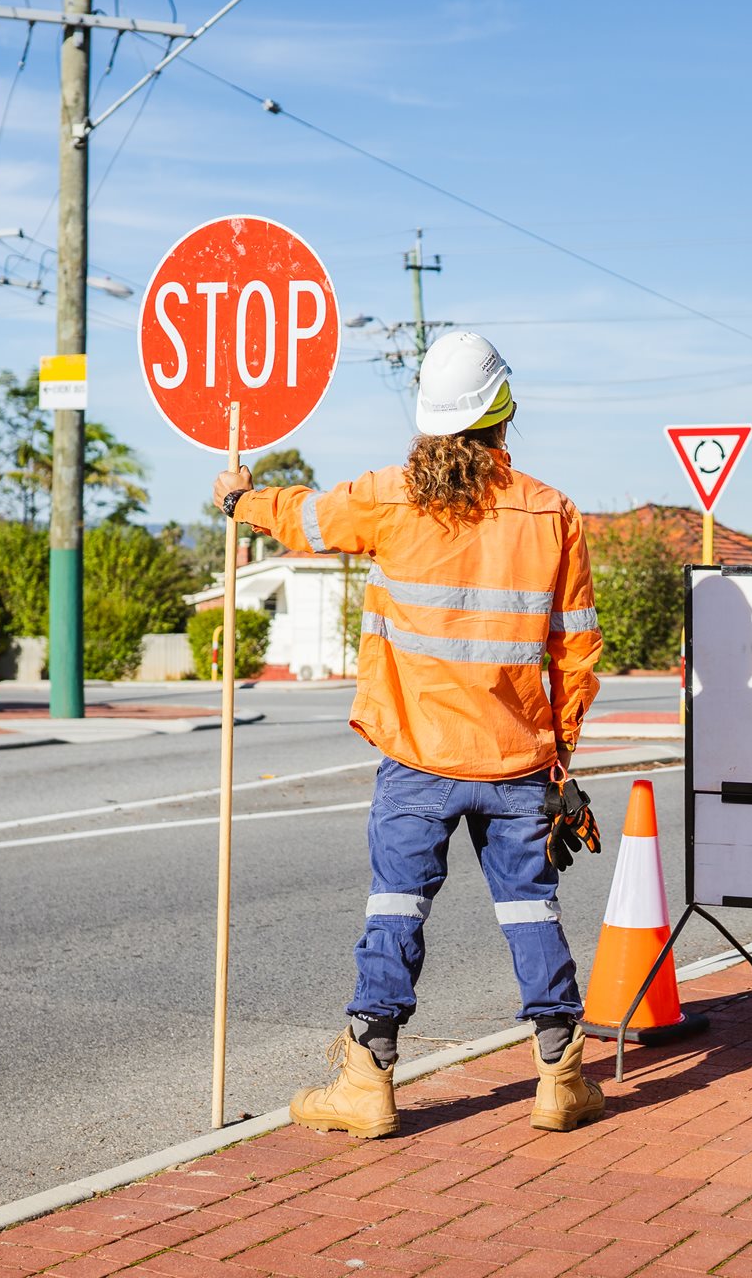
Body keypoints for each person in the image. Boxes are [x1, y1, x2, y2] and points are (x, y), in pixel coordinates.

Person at [211, 331, 605, 1138]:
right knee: (531, 908)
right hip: (516, 761)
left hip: (416, 759)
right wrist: (560, 759)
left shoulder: (391, 497)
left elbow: (305, 518)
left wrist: (239, 498)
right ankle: (560, 1075)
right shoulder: (552, 514)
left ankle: (368, 1081)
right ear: (505, 415)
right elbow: (576, 652)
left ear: (427, 421)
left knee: (396, 910)